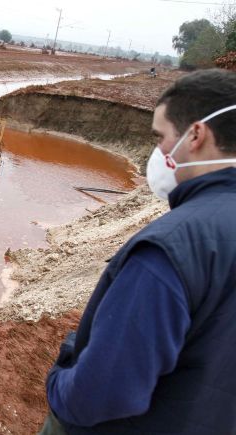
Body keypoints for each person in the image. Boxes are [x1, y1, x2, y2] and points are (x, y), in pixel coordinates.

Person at [39, 68, 236, 435]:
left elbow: (99, 394)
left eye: (161, 137)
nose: (159, 152)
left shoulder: (171, 247)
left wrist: (58, 380)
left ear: (196, 134)